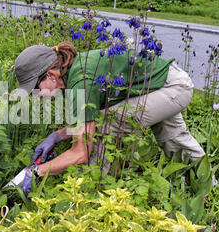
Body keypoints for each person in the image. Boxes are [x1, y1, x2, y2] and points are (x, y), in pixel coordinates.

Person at [13, 40, 205, 181]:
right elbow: (84, 121)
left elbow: (81, 153)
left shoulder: (81, 82)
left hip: (171, 87)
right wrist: (57, 136)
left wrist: (36, 172)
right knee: (174, 139)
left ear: (50, 75)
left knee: (106, 124)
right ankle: (206, 187)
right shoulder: (71, 76)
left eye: (35, 89)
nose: (36, 96)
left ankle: (90, 187)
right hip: (163, 81)